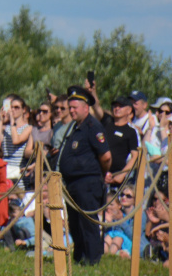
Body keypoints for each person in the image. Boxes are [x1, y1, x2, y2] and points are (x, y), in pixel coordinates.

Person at [56, 85, 111, 265]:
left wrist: (102, 174)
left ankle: (93, 259)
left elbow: (106, 156)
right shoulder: (75, 127)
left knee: (88, 222)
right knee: (75, 222)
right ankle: (79, 257)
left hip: (87, 182)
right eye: (69, 107)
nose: (71, 111)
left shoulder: (92, 126)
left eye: (74, 107)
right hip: (73, 183)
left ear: (86, 107)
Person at [105, 95, 141, 185]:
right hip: (101, 175)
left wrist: (121, 175)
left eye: (120, 106)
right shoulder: (105, 125)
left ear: (129, 110)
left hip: (117, 177)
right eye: (115, 106)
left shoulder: (131, 131)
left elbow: (135, 156)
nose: (117, 108)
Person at [1, 94, 32, 182]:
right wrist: (1, 120)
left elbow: (16, 140)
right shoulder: (7, 127)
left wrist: (12, 123)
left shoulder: (28, 128)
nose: (13, 110)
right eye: (11, 107)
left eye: (16, 107)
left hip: (18, 170)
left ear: (24, 110)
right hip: (5, 168)